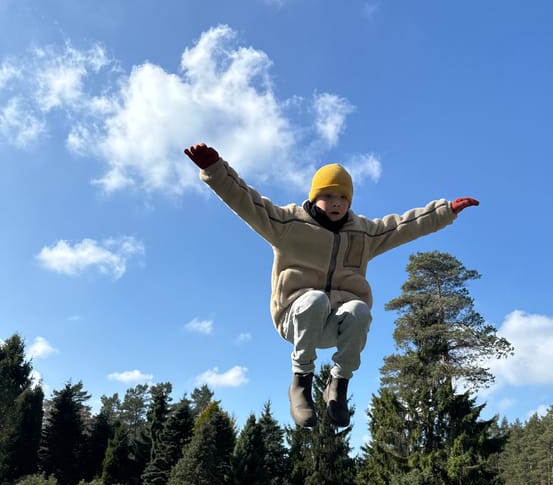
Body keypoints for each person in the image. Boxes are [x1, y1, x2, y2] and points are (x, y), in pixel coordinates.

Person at [184, 143, 479, 429]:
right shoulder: (288, 224)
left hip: (335, 324)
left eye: (342, 197)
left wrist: (446, 211)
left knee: (360, 310)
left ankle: (338, 385)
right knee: (314, 299)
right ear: (314, 198)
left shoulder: (364, 234)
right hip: (295, 318)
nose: (336, 202)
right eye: (327, 195)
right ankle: (301, 383)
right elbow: (247, 202)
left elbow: (404, 226)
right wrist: (215, 169)